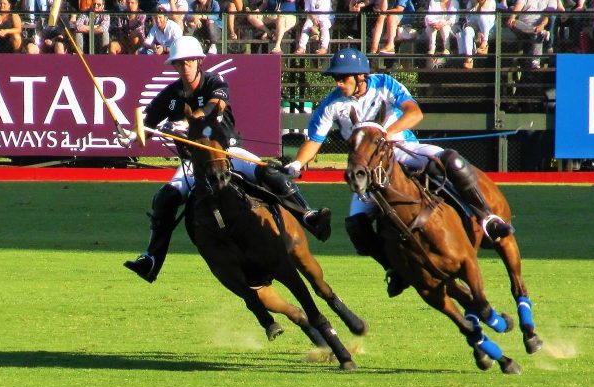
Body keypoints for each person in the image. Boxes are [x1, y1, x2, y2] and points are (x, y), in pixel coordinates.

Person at [289, 48, 514, 297]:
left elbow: (414, 112)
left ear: (361, 76)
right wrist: (296, 165)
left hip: (403, 148)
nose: (338, 83)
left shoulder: (385, 84)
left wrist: (386, 133)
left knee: (451, 161)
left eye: (344, 78)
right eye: (336, 79)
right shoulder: (333, 103)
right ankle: (395, 269)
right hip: (369, 168)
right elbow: (314, 140)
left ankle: (488, 219)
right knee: (356, 226)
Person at [119, 36, 331, 283]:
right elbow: (146, 123)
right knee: (164, 199)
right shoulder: (171, 95)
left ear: (199, 61)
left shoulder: (214, 81)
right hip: (194, 164)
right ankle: (151, 260)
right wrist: (131, 135)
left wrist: (188, 122)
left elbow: (214, 107)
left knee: (271, 173)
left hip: (228, 153)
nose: (185, 66)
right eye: (179, 63)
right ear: (174, 66)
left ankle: (309, 216)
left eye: (189, 61)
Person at [506, 0, 557, 68]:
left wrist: (542, 25)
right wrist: (513, 16)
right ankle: (539, 33)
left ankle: (535, 61)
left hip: (538, 26)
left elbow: (547, 16)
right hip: (522, 26)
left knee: (537, 34)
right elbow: (519, 5)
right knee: (513, 23)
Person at [458, 0, 496, 69]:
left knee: (482, 16)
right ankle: (469, 59)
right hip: (474, 25)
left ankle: (484, 45)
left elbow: (486, 17)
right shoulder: (471, 2)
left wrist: (478, 6)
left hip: (488, 27)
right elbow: (468, 18)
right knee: (467, 30)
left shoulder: (490, 1)